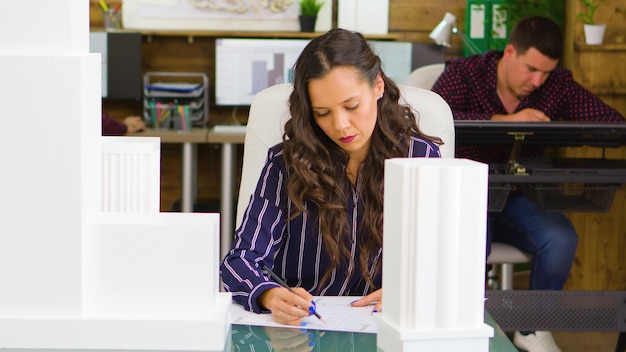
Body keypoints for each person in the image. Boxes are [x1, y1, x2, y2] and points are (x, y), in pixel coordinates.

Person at [220, 28, 442, 326]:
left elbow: (445, 261)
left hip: (385, 327)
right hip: (301, 332)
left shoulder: (420, 159)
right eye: (322, 113)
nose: (340, 126)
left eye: (351, 106)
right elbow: (240, 261)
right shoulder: (285, 163)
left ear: (378, 86)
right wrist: (270, 295)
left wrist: (411, 292)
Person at [432, 16, 624, 352]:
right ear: (510, 52)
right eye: (531, 69)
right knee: (471, 247)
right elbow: (430, 118)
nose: (537, 81)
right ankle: (465, 329)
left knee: (561, 237)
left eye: (546, 73)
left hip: (518, 196)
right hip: (465, 196)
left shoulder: (557, 85)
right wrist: (503, 121)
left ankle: (533, 328)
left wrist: (569, 127)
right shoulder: (465, 73)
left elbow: (611, 124)